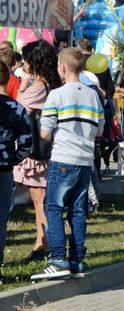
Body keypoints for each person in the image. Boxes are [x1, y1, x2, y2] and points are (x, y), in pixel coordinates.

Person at [31, 47, 104, 280]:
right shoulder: (93, 95)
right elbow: (100, 130)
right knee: (78, 211)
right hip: (85, 161)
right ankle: (76, 260)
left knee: (53, 207)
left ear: (62, 67)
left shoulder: (57, 95)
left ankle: (57, 259)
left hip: (63, 158)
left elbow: (44, 133)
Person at [14, 40, 63, 262]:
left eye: (27, 59)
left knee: (39, 198)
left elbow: (18, 108)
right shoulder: (53, 84)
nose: (24, 63)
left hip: (38, 152)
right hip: (49, 150)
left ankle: (44, 243)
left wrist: (23, 82)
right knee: (39, 197)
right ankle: (42, 241)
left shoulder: (38, 87)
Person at [0, 61, 32, 284]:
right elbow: (27, 142)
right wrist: (14, 159)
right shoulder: (15, 108)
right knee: (0, 221)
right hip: (3, 169)